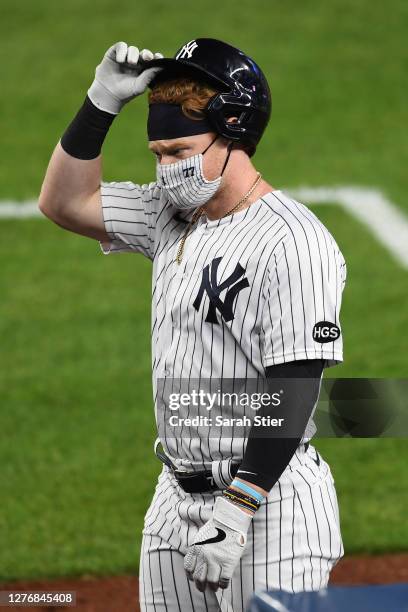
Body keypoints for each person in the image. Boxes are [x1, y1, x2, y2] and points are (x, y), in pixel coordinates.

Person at [39, 38, 347, 612]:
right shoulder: (169, 215)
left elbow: (296, 386)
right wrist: (102, 100)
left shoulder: (293, 241)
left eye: (179, 149)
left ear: (233, 134)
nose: (166, 168)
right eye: (157, 153)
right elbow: (63, 202)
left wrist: (237, 507)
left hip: (268, 502)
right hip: (174, 496)